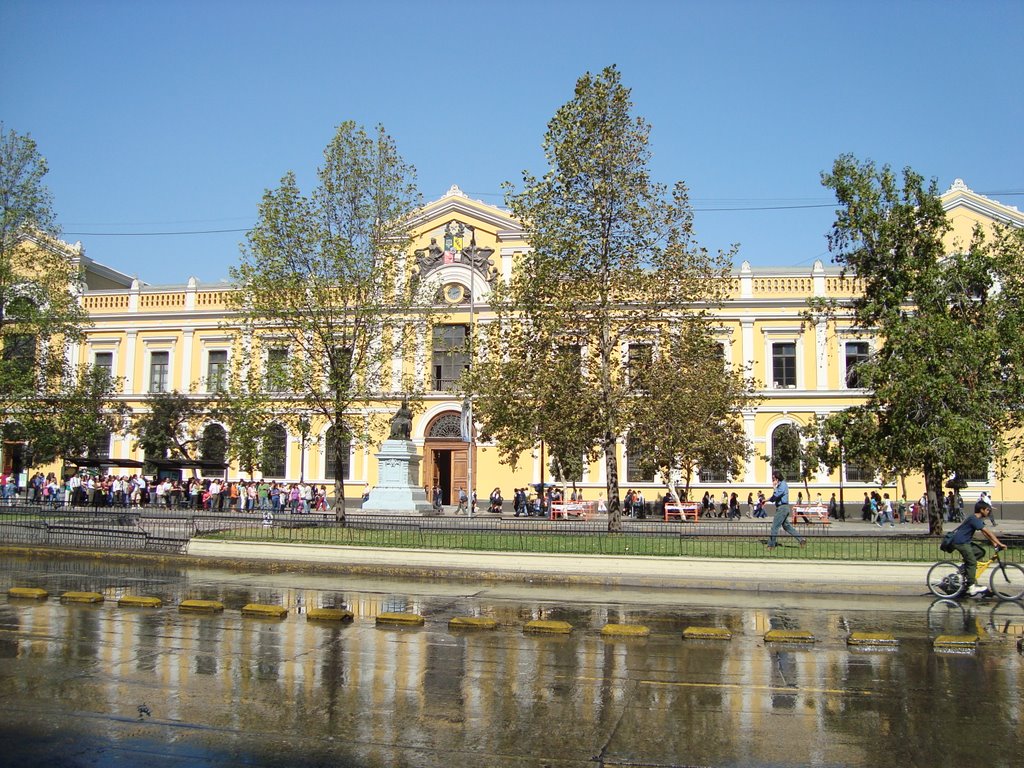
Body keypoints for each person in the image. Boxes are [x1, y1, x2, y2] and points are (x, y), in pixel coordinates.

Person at [949, 499, 1007, 596]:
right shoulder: (974, 519)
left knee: (980, 552)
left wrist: (994, 543)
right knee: (972, 562)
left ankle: (964, 570)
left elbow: (985, 532)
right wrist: (999, 543)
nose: (989, 512)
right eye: (987, 510)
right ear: (981, 510)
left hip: (965, 542)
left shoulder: (977, 519)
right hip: (960, 542)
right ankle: (971, 587)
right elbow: (988, 532)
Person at [766, 470, 806, 549]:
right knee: (787, 526)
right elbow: (774, 497)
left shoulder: (783, 485)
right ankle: (801, 540)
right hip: (782, 508)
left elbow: (776, 495)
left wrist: (774, 487)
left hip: (782, 508)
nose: (773, 480)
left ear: (777, 477)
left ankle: (771, 545)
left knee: (774, 527)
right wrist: (765, 501)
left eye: (773, 478)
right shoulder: (780, 485)